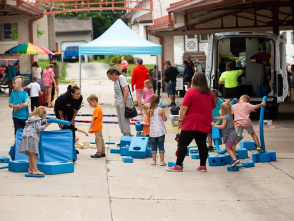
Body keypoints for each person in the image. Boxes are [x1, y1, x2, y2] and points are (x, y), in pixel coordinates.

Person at [166, 72, 216, 172]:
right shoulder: (209, 93)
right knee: (202, 144)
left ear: (194, 80)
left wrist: (180, 120)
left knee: (183, 143)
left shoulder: (191, 92)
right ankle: (203, 166)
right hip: (204, 123)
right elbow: (211, 109)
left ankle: (178, 165)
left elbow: (184, 108)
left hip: (191, 122)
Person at [18, 107, 50, 175]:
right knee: (34, 155)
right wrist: (45, 125)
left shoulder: (31, 119)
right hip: (32, 137)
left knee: (31, 154)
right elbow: (38, 128)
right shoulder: (38, 119)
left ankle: (30, 169)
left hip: (25, 137)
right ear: (43, 115)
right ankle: (35, 170)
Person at [54, 84, 83, 152]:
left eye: (79, 93)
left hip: (70, 109)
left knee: (71, 127)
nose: (79, 95)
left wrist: (72, 120)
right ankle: (64, 147)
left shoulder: (80, 98)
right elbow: (60, 110)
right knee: (64, 127)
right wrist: (61, 120)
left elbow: (76, 109)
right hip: (60, 109)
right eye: (77, 94)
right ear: (72, 93)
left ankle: (72, 147)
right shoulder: (65, 97)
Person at [212, 101, 240, 166]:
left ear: (223, 110)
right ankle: (235, 159)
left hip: (230, 135)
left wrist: (214, 125)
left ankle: (235, 159)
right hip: (234, 134)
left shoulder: (225, 118)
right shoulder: (229, 116)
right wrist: (213, 118)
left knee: (228, 148)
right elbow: (220, 118)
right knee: (233, 147)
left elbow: (222, 126)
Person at [107, 68, 132, 136]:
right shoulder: (116, 81)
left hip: (123, 102)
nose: (109, 78)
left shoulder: (121, 77)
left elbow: (126, 90)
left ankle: (127, 135)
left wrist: (124, 101)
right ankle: (124, 134)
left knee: (124, 120)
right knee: (120, 120)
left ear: (114, 74)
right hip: (118, 102)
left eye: (109, 77)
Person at [148, 94, 167, 166]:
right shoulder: (161, 110)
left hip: (153, 131)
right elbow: (165, 119)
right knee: (161, 145)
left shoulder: (150, 111)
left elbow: (149, 121)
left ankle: (154, 161)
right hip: (161, 131)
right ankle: (162, 161)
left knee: (153, 146)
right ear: (158, 101)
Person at [87, 94, 106, 158]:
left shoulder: (96, 109)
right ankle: (103, 152)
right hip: (99, 126)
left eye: (90, 103)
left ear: (94, 101)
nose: (90, 105)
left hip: (97, 127)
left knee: (98, 140)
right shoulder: (99, 108)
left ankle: (99, 153)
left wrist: (91, 127)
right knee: (101, 140)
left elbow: (93, 119)